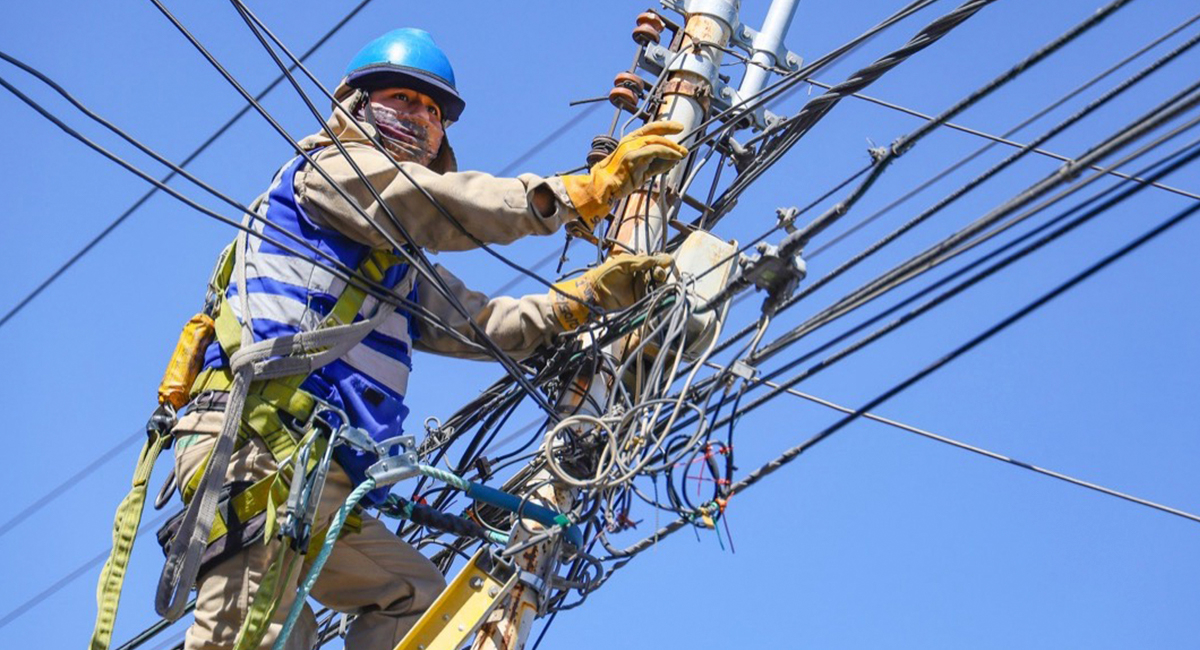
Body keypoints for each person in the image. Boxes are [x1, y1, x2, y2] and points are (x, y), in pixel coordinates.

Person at [165, 28, 687, 650]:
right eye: (403, 100)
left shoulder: (395, 264)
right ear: (356, 106)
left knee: (415, 602)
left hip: (316, 473)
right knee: (254, 636)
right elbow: (427, 202)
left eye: (433, 111)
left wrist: (583, 301)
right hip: (255, 450)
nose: (420, 118)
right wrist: (576, 193)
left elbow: (483, 324)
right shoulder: (327, 172)